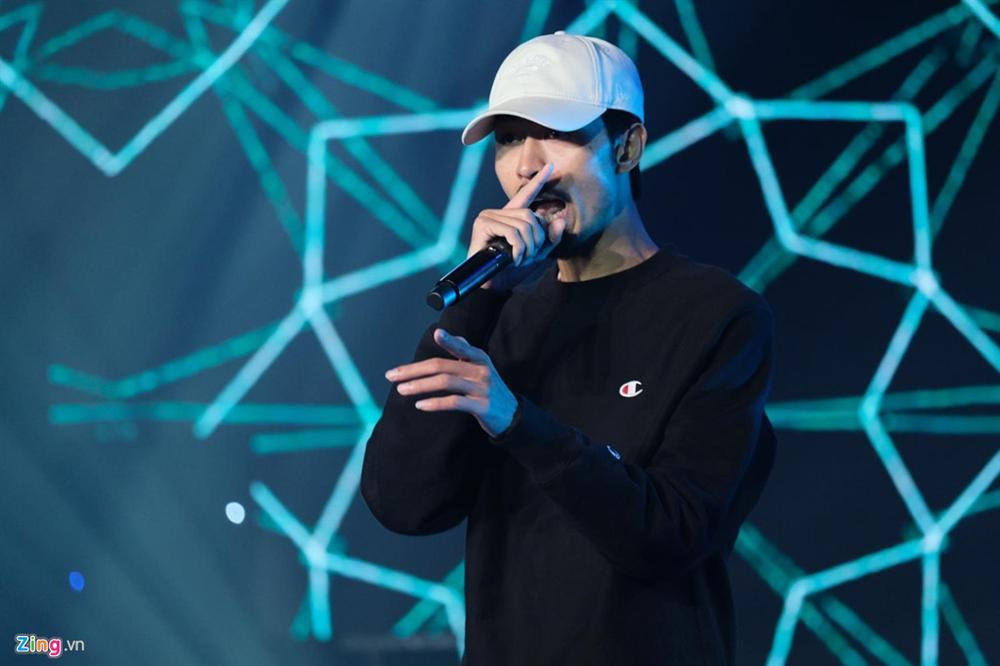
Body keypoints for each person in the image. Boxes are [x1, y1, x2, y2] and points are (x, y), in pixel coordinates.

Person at [361, 31, 776, 665]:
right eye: (508, 139)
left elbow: (672, 533)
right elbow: (402, 503)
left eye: (556, 134)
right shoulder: (498, 317)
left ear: (627, 147)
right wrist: (478, 298)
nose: (527, 165)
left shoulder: (716, 314)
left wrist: (518, 423)